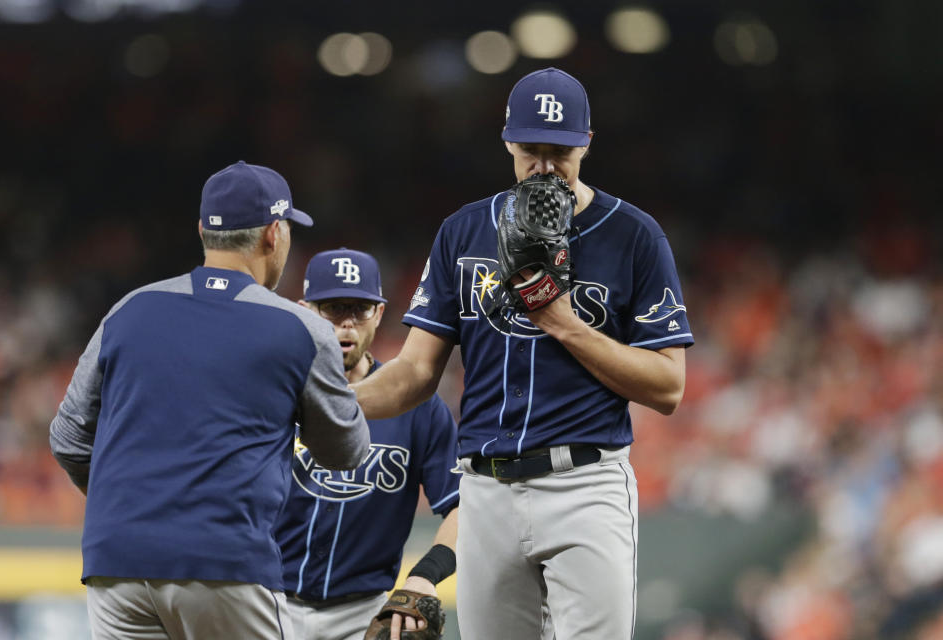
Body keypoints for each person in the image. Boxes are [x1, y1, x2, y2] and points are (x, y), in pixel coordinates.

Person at [352, 67, 694, 640]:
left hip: (585, 484)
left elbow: (669, 387)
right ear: (508, 142)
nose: (543, 166)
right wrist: (328, 401)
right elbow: (413, 371)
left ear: (587, 144)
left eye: (560, 152)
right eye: (530, 150)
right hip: (485, 492)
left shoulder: (633, 236)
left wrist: (563, 324)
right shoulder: (464, 232)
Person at [48, 161, 370, 640]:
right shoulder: (302, 330)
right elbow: (345, 452)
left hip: (116, 561)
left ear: (203, 230)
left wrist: (137, 508)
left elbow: (68, 438)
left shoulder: (129, 310)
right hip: (226, 564)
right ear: (273, 234)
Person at [274, 248, 460, 640]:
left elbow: (465, 507)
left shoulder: (418, 408)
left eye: (358, 309)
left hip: (364, 614)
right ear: (304, 309)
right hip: (266, 602)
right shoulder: (270, 395)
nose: (345, 324)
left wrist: (426, 576)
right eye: (332, 308)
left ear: (378, 313)